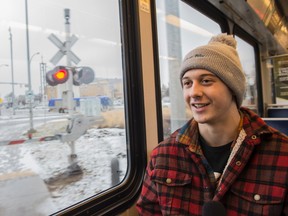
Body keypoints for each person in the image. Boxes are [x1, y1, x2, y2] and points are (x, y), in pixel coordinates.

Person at [136, 33, 288, 215]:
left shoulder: (281, 154)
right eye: (187, 83)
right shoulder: (164, 155)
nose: (194, 92)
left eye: (206, 81)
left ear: (233, 88)